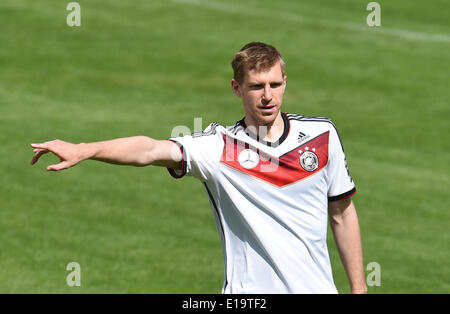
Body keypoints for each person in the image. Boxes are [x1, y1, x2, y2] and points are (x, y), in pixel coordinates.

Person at [30, 42, 367, 294]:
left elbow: (342, 213)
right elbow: (149, 150)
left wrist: (359, 288)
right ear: (237, 88)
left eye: (275, 85)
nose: (268, 96)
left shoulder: (322, 136)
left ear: (285, 83)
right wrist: (86, 149)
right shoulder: (218, 148)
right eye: (256, 86)